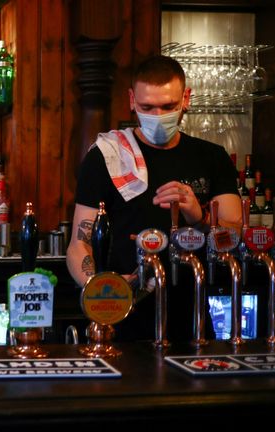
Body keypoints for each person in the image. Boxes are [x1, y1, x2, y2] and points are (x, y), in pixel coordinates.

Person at [66, 55, 241, 342]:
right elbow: (79, 241)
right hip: (123, 310)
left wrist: (199, 217)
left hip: (191, 311)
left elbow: (233, 236)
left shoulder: (211, 157)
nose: (158, 116)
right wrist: (99, 287)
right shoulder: (107, 157)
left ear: (186, 99)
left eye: (168, 106)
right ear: (132, 100)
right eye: (147, 107)